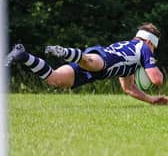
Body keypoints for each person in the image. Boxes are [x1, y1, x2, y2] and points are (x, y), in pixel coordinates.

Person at [6, 22, 168, 105]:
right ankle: (65, 52)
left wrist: (151, 100)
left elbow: (128, 88)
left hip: (95, 70)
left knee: (54, 79)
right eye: (154, 46)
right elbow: (157, 80)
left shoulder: (132, 53)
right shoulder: (144, 48)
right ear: (150, 42)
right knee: (89, 61)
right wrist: (154, 66)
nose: (153, 51)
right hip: (103, 60)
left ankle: (23, 55)